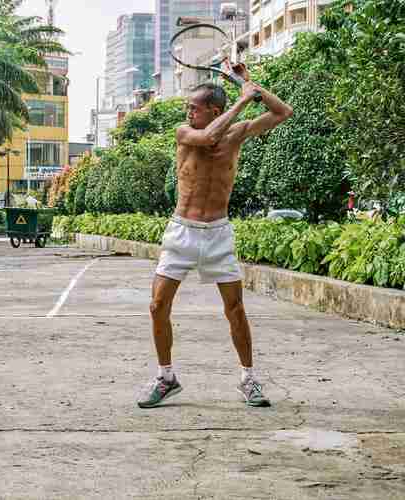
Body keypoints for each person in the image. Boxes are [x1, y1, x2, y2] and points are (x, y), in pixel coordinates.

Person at [137, 66, 293, 409]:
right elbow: (206, 138)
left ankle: (248, 379)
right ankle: (166, 377)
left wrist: (248, 84)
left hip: (218, 234)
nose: (188, 112)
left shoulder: (236, 134)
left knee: (235, 310)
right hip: (182, 231)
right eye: (189, 108)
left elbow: (283, 112)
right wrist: (241, 101)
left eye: (194, 107)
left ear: (214, 110)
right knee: (157, 306)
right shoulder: (183, 133)